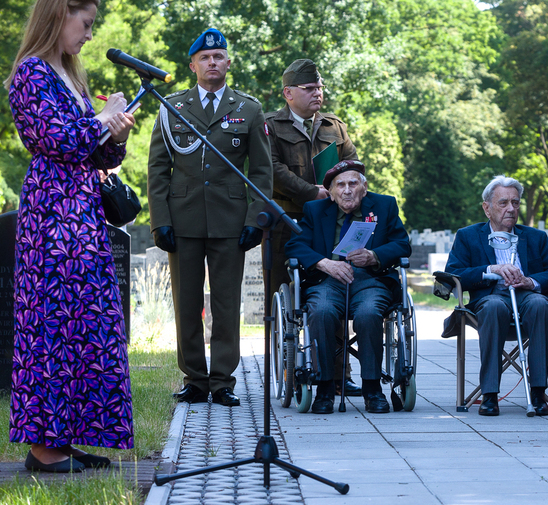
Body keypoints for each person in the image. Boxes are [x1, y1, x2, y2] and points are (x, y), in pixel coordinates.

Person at [4, 0, 136, 473]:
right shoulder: (30, 74)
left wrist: (115, 132)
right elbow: (58, 141)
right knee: (52, 326)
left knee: (88, 323)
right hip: (51, 214)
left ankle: (69, 435)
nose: (88, 35)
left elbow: (94, 150)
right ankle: (43, 446)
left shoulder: (71, 76)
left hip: (82, 211)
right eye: (86, 24)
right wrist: (102, 118)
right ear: (60, 15)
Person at [148, 27, 273, 407]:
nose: (212, 62)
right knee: (186, 303)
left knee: (225, 302)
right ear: (193, 65)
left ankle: (222, 380)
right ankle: (195, 380)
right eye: (205, 57)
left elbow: (262, 171)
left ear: (228, 63)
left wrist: (257, 217)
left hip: (230, 221)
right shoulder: (172, 107)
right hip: (182, 219)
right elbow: (157, 167)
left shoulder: (248, 108)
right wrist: (160, 219)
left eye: (218, 57)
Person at [284, 160, 411, 414]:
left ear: (364, 188)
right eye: (340, 185)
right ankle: (324, 388)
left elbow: (402, 245)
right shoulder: (314, 210)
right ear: (330, 193)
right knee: (321, 312)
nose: (347, 190)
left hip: (370, 281)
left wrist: (374, 256)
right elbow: (295, 246)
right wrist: (324, 263)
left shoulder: (384, 205)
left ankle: (372, 388)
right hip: (327, 281)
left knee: (368, 314)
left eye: (353, 183)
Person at [267, 58, 360, 397]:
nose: (317, 94)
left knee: (333, 292)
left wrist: (342, 188)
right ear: (288, 93)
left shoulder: (334, 126)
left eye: (319, 88)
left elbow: (352, 164)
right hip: (286, 225)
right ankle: (288, 372)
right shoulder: (270, 126)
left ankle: (338, 374)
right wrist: (311, 191)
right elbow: (271, 169)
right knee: (282, 298)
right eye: (309, 89)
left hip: (329, 225)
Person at [445, 176, 548, 416]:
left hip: (526, 295)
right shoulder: (468, 236)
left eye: (515, 203)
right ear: (487, 208)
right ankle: (490, 395)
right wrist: (491, 270)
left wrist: (530, 281)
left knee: (540, 304)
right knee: (493, 307)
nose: (511, 209)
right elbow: (452, 272)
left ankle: (538, 392)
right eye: (503, 203)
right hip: (490, 296)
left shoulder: (535, 237)